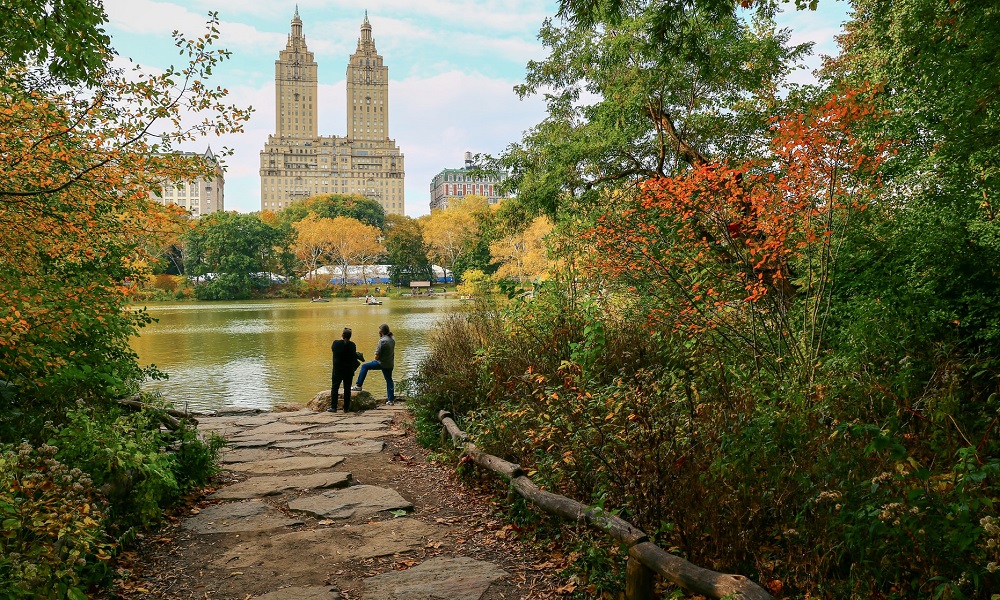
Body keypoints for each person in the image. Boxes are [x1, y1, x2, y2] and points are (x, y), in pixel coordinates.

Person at [352, 323, 396, 405]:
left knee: (364, 366)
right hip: (390, 364)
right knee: (389, 380)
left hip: (381, 363)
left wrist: (376, 357)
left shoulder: (382, 341)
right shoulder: (392, 339)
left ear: (381, 332)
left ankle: (358, 386)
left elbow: (376, 356)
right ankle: (391, 400)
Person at [331, 327, 358, 412]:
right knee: (347, 389)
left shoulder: (336, 343)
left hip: (338, 370)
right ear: (350, 336)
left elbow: (333, 350)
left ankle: (333, 407)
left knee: (335, 387)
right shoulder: (353, 345)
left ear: (342, 335)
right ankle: (346, 408)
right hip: (348, 371)